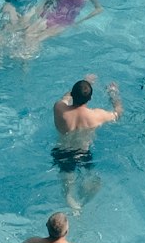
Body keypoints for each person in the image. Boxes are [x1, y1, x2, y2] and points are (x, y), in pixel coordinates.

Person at [52, 76, 122, 211]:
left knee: (68, 189)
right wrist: (113, 94)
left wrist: (85, 82)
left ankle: (72, 203)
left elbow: (66, 98)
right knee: (94, 182)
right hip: (83, 153)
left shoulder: (59, 108)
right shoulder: (96, 115)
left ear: (72, 94)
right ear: (90, 99)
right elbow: (118, 113)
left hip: (61, 152)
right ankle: (83, 203)